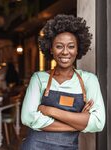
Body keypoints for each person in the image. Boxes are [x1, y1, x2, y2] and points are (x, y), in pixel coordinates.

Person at [21, 14, 105, 150]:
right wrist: (79, 122)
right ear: (51, 49)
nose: (65, 52)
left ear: (77, 50)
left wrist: (49, 110)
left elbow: (98, 123)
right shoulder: (38, 78)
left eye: (71, 46)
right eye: (59, 46)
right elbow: (28, 118)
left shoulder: (89, 80)